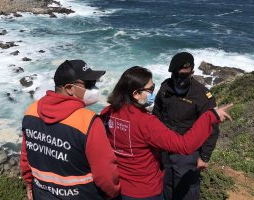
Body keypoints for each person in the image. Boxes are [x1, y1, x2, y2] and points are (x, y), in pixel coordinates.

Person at [100, 66, 232, 200]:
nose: (153, 92)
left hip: (118, 186)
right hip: (146, 191)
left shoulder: (107, 112)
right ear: (135, 94)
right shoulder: (146, 123)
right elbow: (184, 146)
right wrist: (210, 116)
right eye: (150, 89)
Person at [20, 59, 120, 200]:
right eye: (89, 84)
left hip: (42, 193)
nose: (94, 88)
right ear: (69, 88)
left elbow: (26, 159)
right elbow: (105, 174)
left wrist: (30, 184)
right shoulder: (89, 122)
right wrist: (114, 194)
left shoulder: (31, 111)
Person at [152, 52, 218, 200]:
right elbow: (156, 116)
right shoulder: (165, 88)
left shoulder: (202, 95)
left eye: (184, 75)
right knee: (166, 186)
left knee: (186, 190)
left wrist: (204, 157)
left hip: (188, 154)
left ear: (192, 73)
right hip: (165, 148)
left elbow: (212, 128)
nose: (179, 80)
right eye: (176, 75)